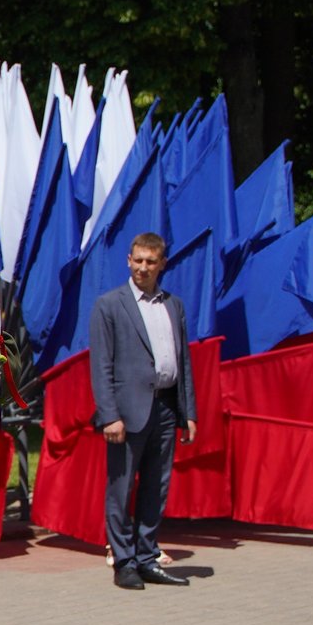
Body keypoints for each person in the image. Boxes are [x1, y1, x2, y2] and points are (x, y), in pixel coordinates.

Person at [90, 233, 196, 590]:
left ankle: (148, 556)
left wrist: (188, 411)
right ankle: (124, 561)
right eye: (138, 260)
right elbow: (101, 364)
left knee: (156, 486)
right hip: (126, 411)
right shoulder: (110, 304)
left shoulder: (173, 305)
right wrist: (109, 415)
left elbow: (183, 361)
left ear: (162, 264)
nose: (143, 268)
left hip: (165, 407)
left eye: (151, 262)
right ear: (128, 260)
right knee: (121, 489)